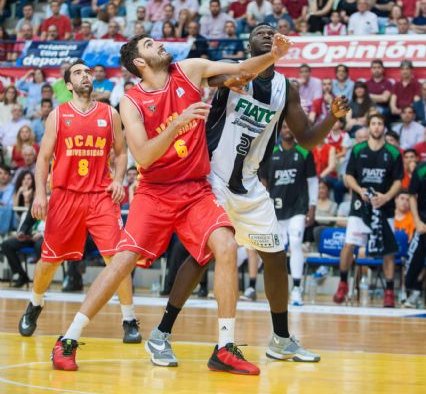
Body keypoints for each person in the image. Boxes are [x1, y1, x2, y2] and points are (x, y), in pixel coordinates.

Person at [51, 32, 293, 374]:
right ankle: (68, 339)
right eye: (150, 45)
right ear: (139, 62)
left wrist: (272, 57)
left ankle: (224, 347)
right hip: (155, 192)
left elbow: (241, 69)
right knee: (123, 261)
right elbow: (145, 158)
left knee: (225, 244)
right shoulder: (131, 102)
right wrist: (179, 124)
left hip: (195, 189)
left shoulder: (190, 70)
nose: (160, 45)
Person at [147, 23, 349, 367]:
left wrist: (332, 117)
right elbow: (213, 82)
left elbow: (307, 140)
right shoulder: (234, 72)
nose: (268, 33)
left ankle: (281, 340)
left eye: (273, 31)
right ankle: (160, 334)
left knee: (275, 256)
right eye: (260, 31)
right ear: (249, 42)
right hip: (213, 180)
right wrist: (230, 79)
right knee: (202, 256)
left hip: (250, 185)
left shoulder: (288, 88)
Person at [19, 60, 141, 345]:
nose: (85, 75)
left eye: (87, 72)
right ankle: (36, 302)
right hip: (65, 196)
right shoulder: (58, 115)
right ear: (69, 85)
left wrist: (118, 179)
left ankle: (129, 317)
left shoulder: (110, 114)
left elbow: (121, 154)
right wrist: (40, 193)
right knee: (49, 262)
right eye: (78, 73)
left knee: (118, 259)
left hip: (101, 197)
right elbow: (43, 158)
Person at [333, 114, 403, 308]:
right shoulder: (357, 149)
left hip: (384, 206)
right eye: (373, 123)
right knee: (349, 244)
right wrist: (359, 190)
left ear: (384, 128)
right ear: (369, 127)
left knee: (388, 249)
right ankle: (343, 283)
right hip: (360, 205)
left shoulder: (394, 152)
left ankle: (389, 292)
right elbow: (348, 176)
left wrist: (386, 197)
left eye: (380, 124)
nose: (377, 127)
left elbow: (398, 181)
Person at [266, 124, 318, 306]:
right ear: (280, 129)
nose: (288, 129)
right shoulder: (270, 151)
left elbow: (312, 181)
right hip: (275, 208)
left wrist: (312, 206)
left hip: (298, 207)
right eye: (285, 127)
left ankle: (296, 288)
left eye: (291, 127)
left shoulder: (304, 152)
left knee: (295, 242)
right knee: (277, 250)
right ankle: (278, 289)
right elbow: (263, 181)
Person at [404, 161, 426, 308]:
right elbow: (412, 195)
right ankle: (412, 291)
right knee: (416, 257)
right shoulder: (421, 169)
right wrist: (417, 221)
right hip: (424, 221)